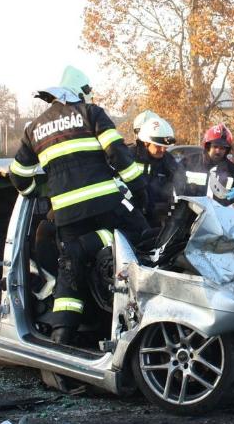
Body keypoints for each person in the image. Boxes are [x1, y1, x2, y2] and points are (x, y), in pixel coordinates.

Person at [8, 66, 149, 344]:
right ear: (81, 92)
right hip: (105, 205)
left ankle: (63, 336)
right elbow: (118, 154)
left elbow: (18, 175)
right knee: (142, 238)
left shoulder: (34, 129)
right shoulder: (90, 113)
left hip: (66, 215)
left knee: (70, 270)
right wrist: (139, 189)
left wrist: (41, 193)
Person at [125, 116, 184, 227]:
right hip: (131, 218)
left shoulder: (168, 161)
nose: (163, 150)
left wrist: (170, 207)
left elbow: (181, 185)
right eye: (158, 146)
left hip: (157, 220)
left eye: (165, 147)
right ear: (146, 142)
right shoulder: (128, 157)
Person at [181, 123, 234, 205]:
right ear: (208, 146)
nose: (218, 151)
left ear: (227, 150)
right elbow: (174, 184)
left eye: (222, 148)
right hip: (192, 214)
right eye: (215, 146)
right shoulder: (189, 162)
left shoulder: (233, 171)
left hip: (219, 215)